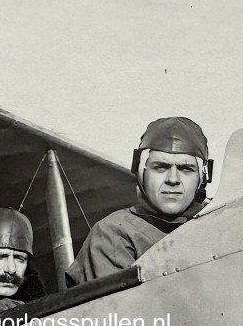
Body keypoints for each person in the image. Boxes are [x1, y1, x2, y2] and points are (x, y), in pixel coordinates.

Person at [65, 117, 212, 286]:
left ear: (202, 177)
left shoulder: (218, 227)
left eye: (186, 169)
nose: (173, 179)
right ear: (142, 173)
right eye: (160, 167)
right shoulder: (113, 234)